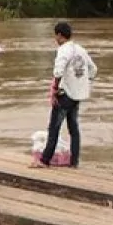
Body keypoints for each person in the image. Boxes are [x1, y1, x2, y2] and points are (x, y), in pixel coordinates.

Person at [35, 21, 94, 168]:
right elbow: (93, 70)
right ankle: (74, 162)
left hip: (65, 94)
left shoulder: (63, 50)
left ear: (59, 35)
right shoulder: (80, 49)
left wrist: (54, 89)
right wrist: (81, 81)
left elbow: (58, 72)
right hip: (77, 95)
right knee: (74, 129)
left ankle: (44, 160)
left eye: (55, 36)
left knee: (54, 128)